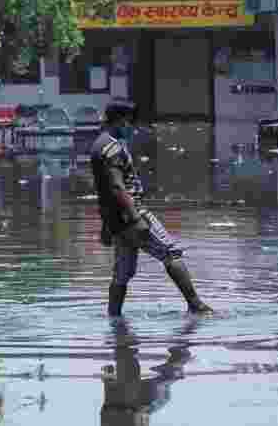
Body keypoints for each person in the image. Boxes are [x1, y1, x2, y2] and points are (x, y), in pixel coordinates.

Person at [90, 98, 212, 316]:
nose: (132, 128)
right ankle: (197, 306)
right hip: (132, 214)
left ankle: (114, 320)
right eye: (130, 122)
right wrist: (137, 219)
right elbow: (117, 188)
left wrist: (107, 225)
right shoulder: (112, 148)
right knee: (171, 254)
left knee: (122, 273)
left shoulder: (99, 145)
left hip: (117, 220)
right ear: (120, 121)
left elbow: (104, 192)